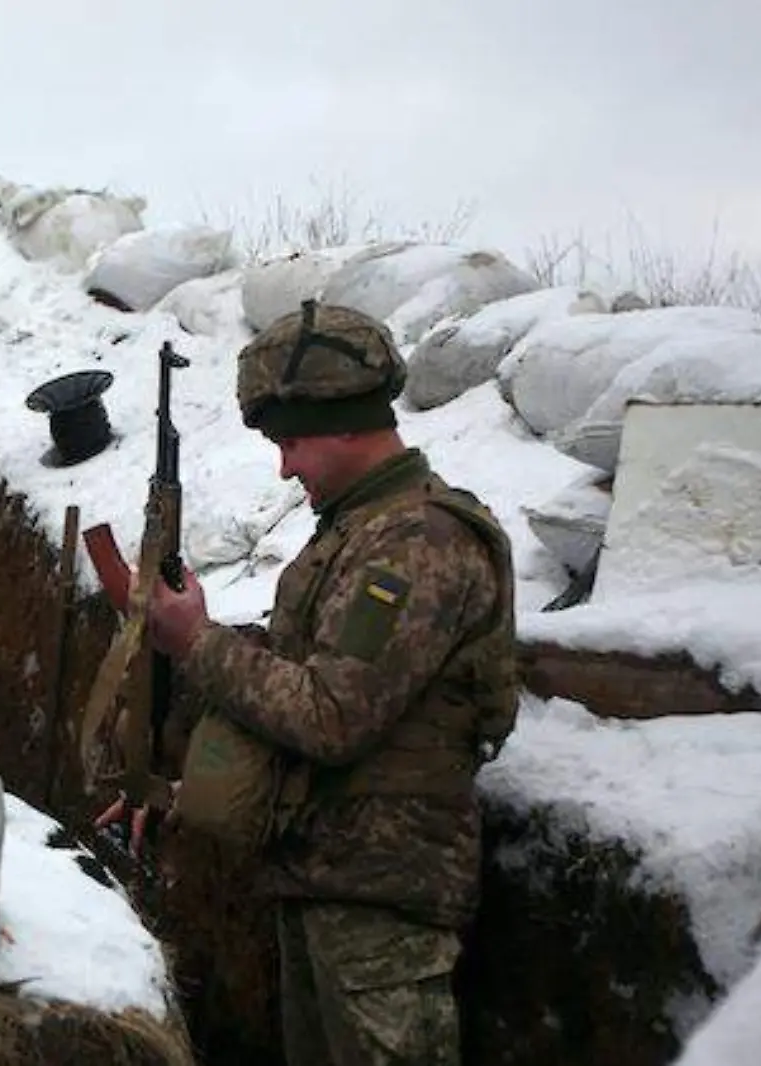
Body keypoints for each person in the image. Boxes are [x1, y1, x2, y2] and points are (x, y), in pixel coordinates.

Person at [140, 300, 520, 1066]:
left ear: (346, 421)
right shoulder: (359, 530)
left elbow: (331, 714)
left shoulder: (416, 541)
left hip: (381, 902)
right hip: (323, 876)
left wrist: (199, 644)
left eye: (291, 442)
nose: (283, 466)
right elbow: (303, 674)